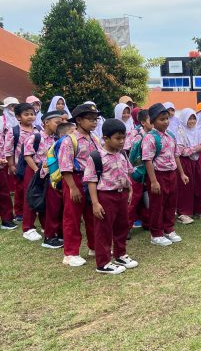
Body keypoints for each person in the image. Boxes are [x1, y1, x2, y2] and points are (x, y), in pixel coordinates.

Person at [84, 118, 138, 274]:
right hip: (105, 197)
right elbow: (91, 180)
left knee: (122, 226)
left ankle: (120, 254)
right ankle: (103, 263)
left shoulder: (122, 154)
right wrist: (95, 203)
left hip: (122, 195)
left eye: (123, 138)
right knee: (104, 230)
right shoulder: (96, 157)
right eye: (118, 138)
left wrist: (130, 190)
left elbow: (128, 173)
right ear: (106, 138)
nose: (122, 142)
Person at [59, 103, 102, 267]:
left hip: (91, 181)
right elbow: (65, 166)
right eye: (90, 119)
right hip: (75, 179)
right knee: (72, 217)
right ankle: (70, 253)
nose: (94, 123)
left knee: (93, 215)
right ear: (78, 120)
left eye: (95, 120)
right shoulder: (70, 140)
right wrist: (72, 187)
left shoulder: (95, 138)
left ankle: (94, 246)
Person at [142, 103, 189, 247]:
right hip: (158, 175)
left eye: (167, 118)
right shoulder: (150, 138)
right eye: (162, 119)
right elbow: (147, 160)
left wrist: (181, 173)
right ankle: (156, 234)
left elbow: (176, 156)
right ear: (153, 121)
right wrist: (154, 181)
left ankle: (169, 229)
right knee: (157, 204)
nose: (166, 122)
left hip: (172, 174)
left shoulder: (171, 136)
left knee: (170, 203)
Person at [22, 110, 63, 248]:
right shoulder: (36, 137)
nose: (60, 125)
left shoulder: (56, 139)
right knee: (32, 196)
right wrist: (36, 171)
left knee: (48, 199)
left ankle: (47, 226)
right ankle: (28, 227)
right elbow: (27, 155)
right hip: (35, 170)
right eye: (57, 122)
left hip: (50, 172)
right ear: (46, 122)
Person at [4, 103, 40, 225]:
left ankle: (35, 208)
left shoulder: (38, 129)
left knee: (35, 187)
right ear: (19, 117)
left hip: (36, 164)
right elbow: (8, 150)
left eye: (32, 114)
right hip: (21, 165)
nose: (30, 117)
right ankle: (19, 212)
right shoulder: (14, 131)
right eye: (26, 114)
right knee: (20, 189)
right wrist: (11, 165)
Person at [175, 108, 201, 224]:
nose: (192, 121)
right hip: (185, 163)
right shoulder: (179, 132)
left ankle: (197, 210)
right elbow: (180, 151)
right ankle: (183, 213)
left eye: (194, 118)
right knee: (185, 188)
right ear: (184, 119)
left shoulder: (196, 130)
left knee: (197, 185)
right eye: (190, 118)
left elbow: (199, 146)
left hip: (196, 161)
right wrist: (196, 148)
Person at [126, 109, 152, 230]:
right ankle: (126, 228)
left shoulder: (154, 134)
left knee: (147, 200)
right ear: (143, 122)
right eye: (151, 120)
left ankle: (147, 222)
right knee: (133, 200)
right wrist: (133, 171)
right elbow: (130, 155)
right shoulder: (136, 135)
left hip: (150, 173)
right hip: (137, 173)